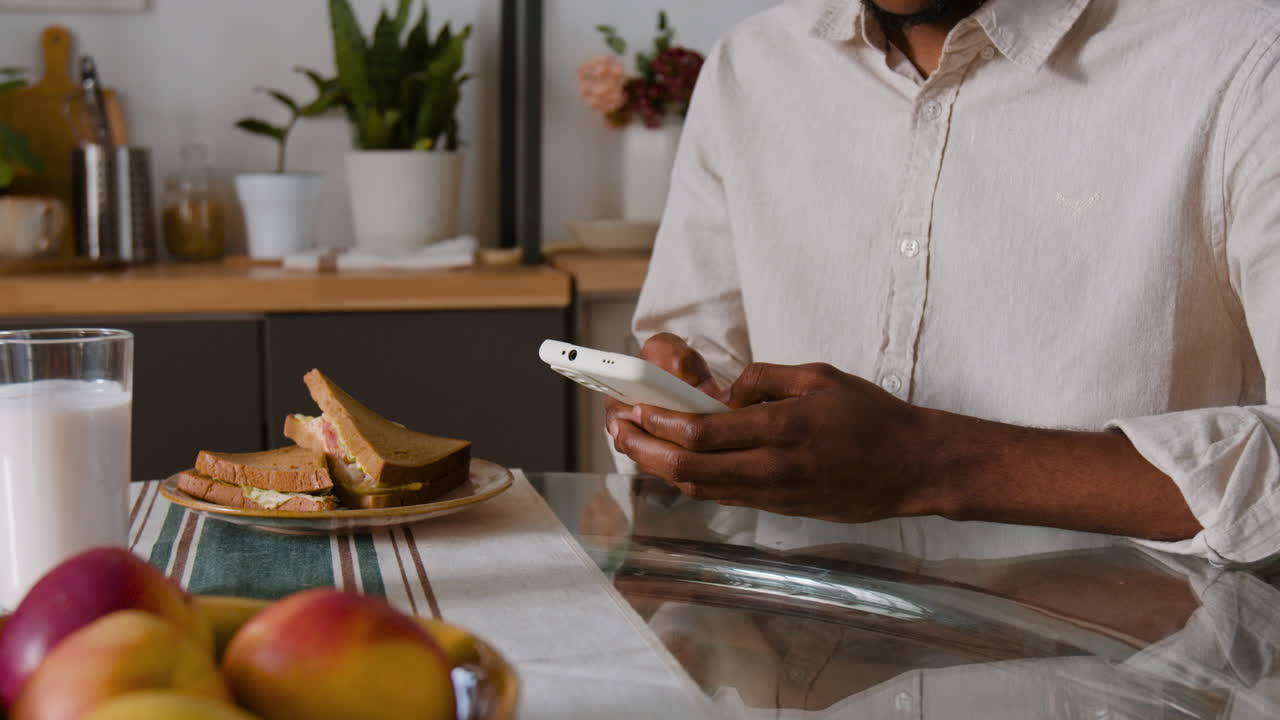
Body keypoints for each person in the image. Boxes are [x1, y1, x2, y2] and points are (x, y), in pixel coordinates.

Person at [605, 0, 1280, 566]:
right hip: (800, 654)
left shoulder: (1245, 64)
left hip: (1143, 667)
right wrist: (681, 411)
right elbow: (701, 355)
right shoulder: (750, 65)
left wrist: (929, 463)